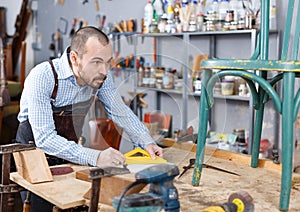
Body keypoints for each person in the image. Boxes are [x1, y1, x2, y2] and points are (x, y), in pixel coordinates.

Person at [16, 26, 163, 211]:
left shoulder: (101, 78)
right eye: (96, 62)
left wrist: (146, 141)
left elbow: (120, 112)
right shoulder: (43, 76)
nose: (104, 70)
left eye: (108, 62)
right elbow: (44, 138)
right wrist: (96, 157)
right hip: (34, 155)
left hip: (68, 154)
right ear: (75, 59)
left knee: (76, 204)